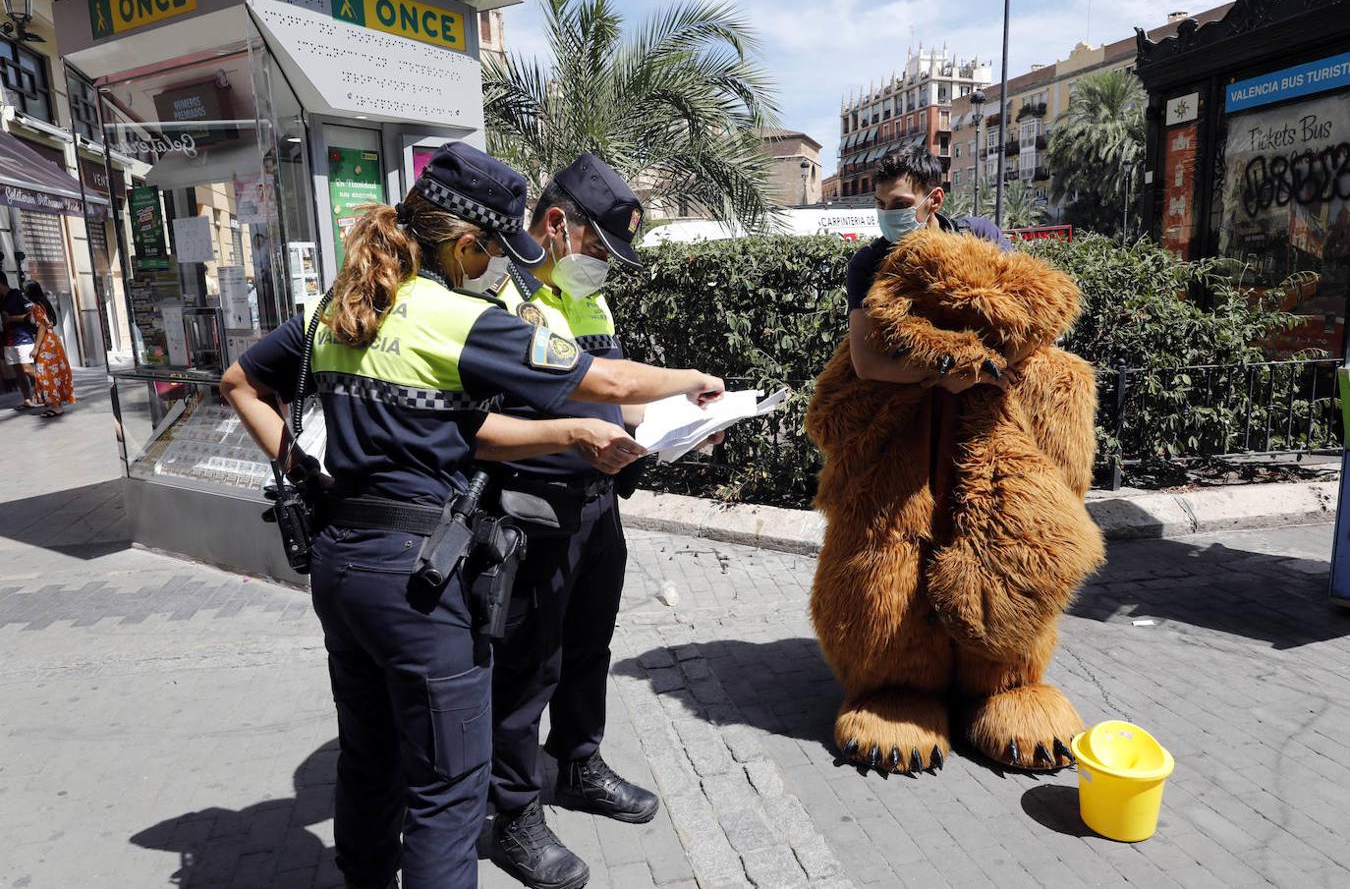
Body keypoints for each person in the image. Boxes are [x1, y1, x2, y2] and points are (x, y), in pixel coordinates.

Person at [220, 142, 723, 889]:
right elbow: (605, 377)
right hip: (418, 577)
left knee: (368, 757)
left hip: (339, 562)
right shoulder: (453, 318)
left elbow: (238, 380)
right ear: (465, 244)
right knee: (447, 794)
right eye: (492, 251)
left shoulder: (341, 304)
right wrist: (697, 379)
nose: (498, 266)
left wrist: (300, 468)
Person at [467, 154, 665, 889]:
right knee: (527, 667)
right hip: (529, 512)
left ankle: (578, 763)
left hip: (595, 506)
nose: (606, 268)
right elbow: (483, 417)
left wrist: (674, 426)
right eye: (601, 250)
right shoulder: (495, 289)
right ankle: (514, 812)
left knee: (589, 646)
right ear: (558, 224)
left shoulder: (587, 298)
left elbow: (619, 394)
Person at [847, 144, 1013, 393]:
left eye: (900, 204)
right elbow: (867, 363)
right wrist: (947, 375)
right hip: (911, 417)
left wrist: (978, 373)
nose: (887, 214)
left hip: (986, 402)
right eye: (880, 204)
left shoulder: (981, 236)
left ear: (934, 200)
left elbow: (1033, 318)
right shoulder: (867, 264)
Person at [25, 281, 76, 417]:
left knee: (46, 374)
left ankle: (55, 406)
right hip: (53, 341)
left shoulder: (36, 306)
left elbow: (42, 326)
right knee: (53, 372)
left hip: (45, 343)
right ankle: (56, 403)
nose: (25, 293)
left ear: (31, 292)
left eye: (26, 291)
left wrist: (36, 348)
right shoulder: (44, 303)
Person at [2, 272, 38, 411]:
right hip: (9, 341)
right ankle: (27, 400)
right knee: (19, 373)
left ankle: (52, 390)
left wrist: (11, 319)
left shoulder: (17, 295)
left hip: (23, 337)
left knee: (28, 369)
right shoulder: (1, 299)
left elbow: (31, 315)